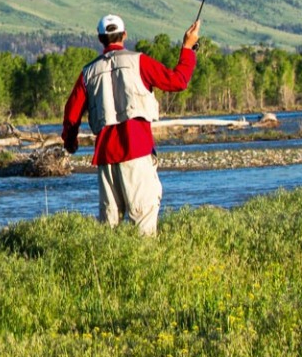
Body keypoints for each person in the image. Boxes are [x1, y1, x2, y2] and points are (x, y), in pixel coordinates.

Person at [59, 13, 200, 235]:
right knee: (143, 224)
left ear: (100, 39)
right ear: (124, 35)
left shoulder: (88, 73)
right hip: (137, 151)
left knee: (109, 227)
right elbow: (178, 81)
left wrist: (70, 141)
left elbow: (71, 114)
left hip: (105, 156)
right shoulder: (139, 61)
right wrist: (188, 49)